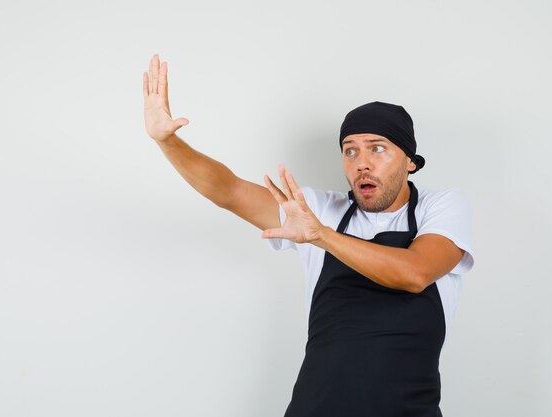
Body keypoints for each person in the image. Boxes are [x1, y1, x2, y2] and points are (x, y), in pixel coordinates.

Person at [142, 54, 474, 417]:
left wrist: (321, 236)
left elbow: (415, 274)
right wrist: (168, 143)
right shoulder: (317, 209)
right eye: (350, 151)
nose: (361, 162)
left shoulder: (440, 208)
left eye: (377, 148)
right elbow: (230, 191)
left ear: (409, 160)